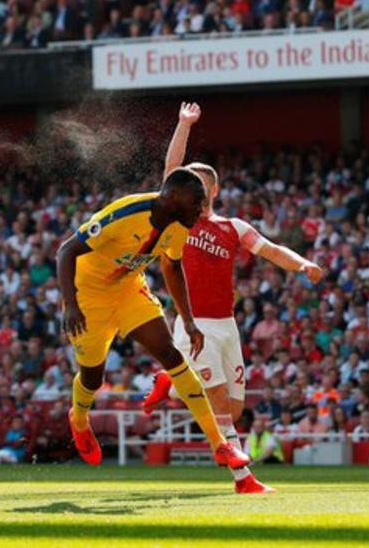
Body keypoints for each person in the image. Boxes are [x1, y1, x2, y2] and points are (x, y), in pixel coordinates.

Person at [142, 102, 323, 494]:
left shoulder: (233, 226)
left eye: (202, 185)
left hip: (228, 325)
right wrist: (184, 125)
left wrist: (302, 263)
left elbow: (272, 250)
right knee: (220, 401)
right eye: (189, 185)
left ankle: (170, 380)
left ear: (215, 190)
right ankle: (244, 479)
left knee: (235, 408)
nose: (195, 190)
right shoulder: (179, 220)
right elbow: (170, 169)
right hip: (198, 322)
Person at [56, 164, 249, 470]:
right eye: (196, 204)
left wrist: (187, 319)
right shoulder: (124, 213)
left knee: (171, 354)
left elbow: (172, 267)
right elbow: (66, 251)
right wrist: (72, 304)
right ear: (172, 198)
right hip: (88, 297)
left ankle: (220, 445)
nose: (201, 211)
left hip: (128, 289)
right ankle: (79, 419)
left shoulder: (179, 224)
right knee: (93, 377)